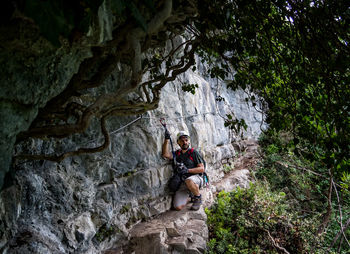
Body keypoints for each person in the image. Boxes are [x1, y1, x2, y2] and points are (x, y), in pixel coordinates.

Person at [162, 130, 205, 211]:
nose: (184, 142)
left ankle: (198, 198)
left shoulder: (193, 152)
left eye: (186, 140)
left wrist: (187, 170)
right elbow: (165, 154)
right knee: (177, 207)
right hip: (183, 182)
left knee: (189, 181)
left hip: (196, 178)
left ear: (188, 141)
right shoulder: (177, 154)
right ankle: (191, 192)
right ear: (178, 142)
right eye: (182, 141)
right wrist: (167, 139)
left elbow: (202, 169)